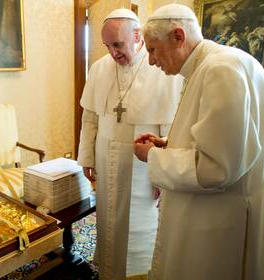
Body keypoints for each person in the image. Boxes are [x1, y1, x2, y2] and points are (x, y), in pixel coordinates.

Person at [133, 4, 264, 279]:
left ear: (178, 36)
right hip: (215, 210)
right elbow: (223, 141)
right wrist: (166, 143)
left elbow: (215, 168)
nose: (150, 61)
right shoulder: (210, 65)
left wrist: (152, 156)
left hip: (219, 219)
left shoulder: (219, 70)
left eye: (151, 49)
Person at [77, 8, 182, 280]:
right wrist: (86, 158)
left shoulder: (160, 68)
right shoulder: (99, 68)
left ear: (137, 36)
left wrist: (163, 173)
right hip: (105, 157)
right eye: (107, 46)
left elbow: (168, 125)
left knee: (140, 224)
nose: (112, 53)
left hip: (142, 165)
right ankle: (109, 269)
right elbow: (89, 118)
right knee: (108, 220)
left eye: (118, 45)